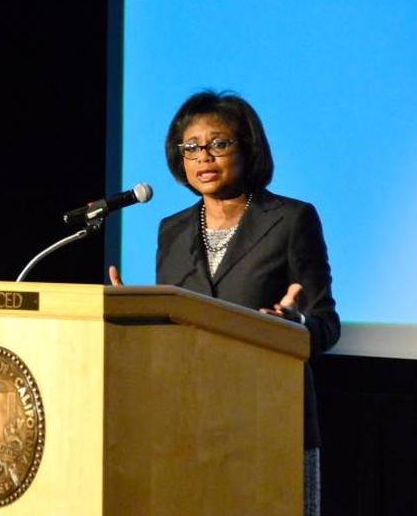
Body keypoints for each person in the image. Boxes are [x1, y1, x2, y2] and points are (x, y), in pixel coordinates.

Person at [109, 89, 340, 516]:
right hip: (189, 420)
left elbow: (327, 323)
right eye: (191, 147)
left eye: (218, 144)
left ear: (248, 148)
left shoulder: (292, 220)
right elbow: (174, 328)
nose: (203, 158)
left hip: (269, 418)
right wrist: (135, 317)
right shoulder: (171, 230)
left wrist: (293, 324)